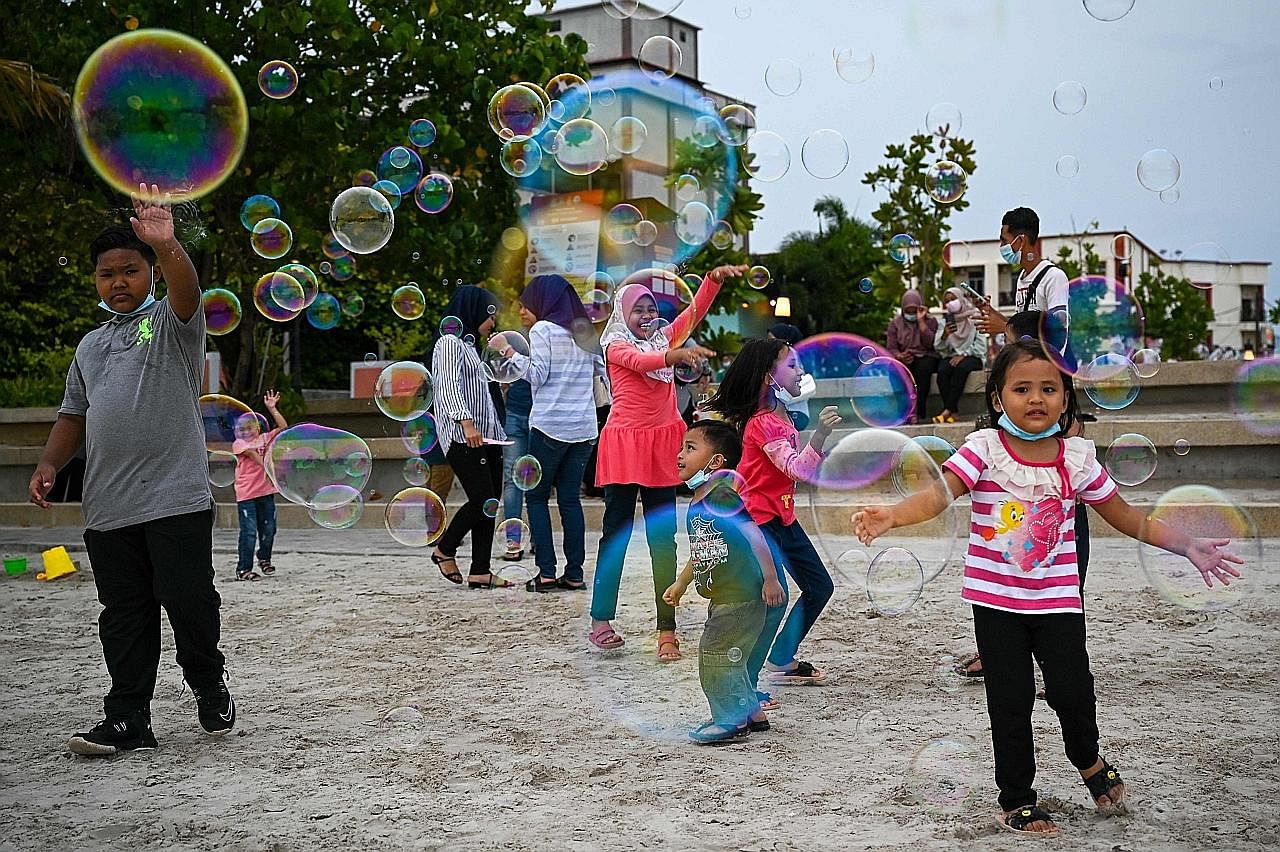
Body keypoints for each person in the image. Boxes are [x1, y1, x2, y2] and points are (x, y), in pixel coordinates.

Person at [853, 339, 1244, 836]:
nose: (1035, 398)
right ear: (998, 399)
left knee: (1074, 692)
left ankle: (1088, 760)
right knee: (1009, 701)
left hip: (1058, 603)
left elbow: (1124, 516)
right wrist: (892, 514)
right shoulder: (984, 451)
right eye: (1021, 388)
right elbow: (937, 495)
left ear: (1064, 398)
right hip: (996, 604)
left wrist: (1187, 544)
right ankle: (1017, 797)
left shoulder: (1076, 459)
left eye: (1048, 388)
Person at [28, 187, 233, 755]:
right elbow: (74, 415)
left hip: (176, 499)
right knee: (123, 615)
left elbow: (187, 290)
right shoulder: (90, 346)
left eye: (129, 270)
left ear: (149, 273)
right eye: (105, 274)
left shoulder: (172, 324)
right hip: (109, 506)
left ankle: (207, 681)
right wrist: (50, 461)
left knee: (189, 601)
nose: (117, 282)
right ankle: (127, 717)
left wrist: (167, 245)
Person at [588, 265, 747, 660]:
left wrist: (713, 280)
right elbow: (644, 364)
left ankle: (666, 630)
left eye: (650, 308)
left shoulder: (662, 337)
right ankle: (601, 620)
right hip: (626, 444)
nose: (645, 315)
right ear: (623, 315)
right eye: (637, 309)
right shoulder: (616, 345)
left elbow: (692, 315)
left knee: (664, 540)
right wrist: (677, 354)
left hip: (662, 445)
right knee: (616, 536)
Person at [704, 338, 842, 698]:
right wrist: (821, 436)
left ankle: (781, 657)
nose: (800, 371)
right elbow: (795, 469)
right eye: (792, 365)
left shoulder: (780, 412)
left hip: (781, 516)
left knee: (819, 586)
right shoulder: (763, 423)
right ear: (769, 375)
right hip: (758, 523)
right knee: (772, 601)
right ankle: (746, 687)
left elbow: (791, 469)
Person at [662, 421, 786, 744]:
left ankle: (729, 720)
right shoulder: (698, 501)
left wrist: (771, 578)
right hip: (725, 597)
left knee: (715, 653)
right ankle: (751, 714)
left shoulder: (722, 497)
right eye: (681, 447)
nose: (680, 454)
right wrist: (681, 583)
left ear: (715, 463)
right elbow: (702, 551)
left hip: (742, 595)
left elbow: (754, 534)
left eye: (690, 448)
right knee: (734, 656)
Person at [490, 275, 605, 592]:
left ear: (543, 302)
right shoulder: (584, 331)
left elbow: (537, 375)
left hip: (551, 426)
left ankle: (546, 573)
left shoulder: (543, 330)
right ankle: (576, 573)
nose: (523, 312)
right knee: (569, 500)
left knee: (537, 497)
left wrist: (507, 352)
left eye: (526, 305)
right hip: (583, 429)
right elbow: (600, 371)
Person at [429, 284, 511, 590]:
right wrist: (467, 424)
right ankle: (445, 549)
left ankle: (480, 570)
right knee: (481, 499)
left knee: (490, 501)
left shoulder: (470, 347)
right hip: (465, 434)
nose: (493, 323)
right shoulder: (449, 343)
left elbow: (481, 392)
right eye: (490, 315)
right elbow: (448, 387)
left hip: (488, 434)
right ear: (473, 309)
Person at [975, 207, 1068, 342]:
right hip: (1027, 358)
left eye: (1004, 241)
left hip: (1046, 361)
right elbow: (1021, 327)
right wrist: (990, 311)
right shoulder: (1022, 278)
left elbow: (1058, 328)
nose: (1001, 246)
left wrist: (1005, 327)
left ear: (1021, 241)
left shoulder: (1053, 277)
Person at [230, 390, 288, 581]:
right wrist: (267, 465)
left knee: (269, 528)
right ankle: (243, 569)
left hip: (265, 492)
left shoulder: (265, 439)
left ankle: (264, 558)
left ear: (258, 428)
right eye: (242, 430)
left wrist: (272, 408)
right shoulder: (238, 444)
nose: (246, 432)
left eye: (250, 428)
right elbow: (253, 455)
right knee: (248, 532)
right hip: (247, 495)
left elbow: (284, 427)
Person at [932, 287, 987, 423]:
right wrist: (944, 336)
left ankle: (947, 410)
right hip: (952, 357)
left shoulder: (975, 316)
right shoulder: (945, 321)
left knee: (961, 369)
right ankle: (953, 412)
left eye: (953, 299)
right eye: (947, 301)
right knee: (943, 371)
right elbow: (938, 348)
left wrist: (964, 354)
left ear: (961, 299)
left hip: (974, 357)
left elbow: (981, 346)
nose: (950, 303)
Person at [886, 290, 940, 423]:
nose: (911, 314)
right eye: (908, 311)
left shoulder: (931, 321)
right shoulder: (895, 324)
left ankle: (918, 413)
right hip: (905, 357)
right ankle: (903, 411)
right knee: (895, 370)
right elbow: (891, 347)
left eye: (914, 310)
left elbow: (931, 344)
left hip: (927, 355)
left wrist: (921, 322)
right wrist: (899, 356)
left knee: (922, 370)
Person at [767, 323, 814, 430]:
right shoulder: (787, 352)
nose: (800, 372)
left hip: (793, 410)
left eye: (772, 338)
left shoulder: (788, 352)